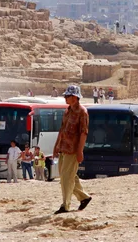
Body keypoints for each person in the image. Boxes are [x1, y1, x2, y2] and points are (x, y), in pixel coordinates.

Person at [53, 85, 91, 214]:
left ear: (74, 97)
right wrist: (56, 146)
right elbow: (62, 130)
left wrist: (80, 151)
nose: (65, 98)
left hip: (73, 150)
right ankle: (84, 197)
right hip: (64, 148)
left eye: (67, 96)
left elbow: (83, 133)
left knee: (65, 178)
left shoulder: (82, 112)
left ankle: (65, 205)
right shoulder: (67, 111)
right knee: (67, 176)